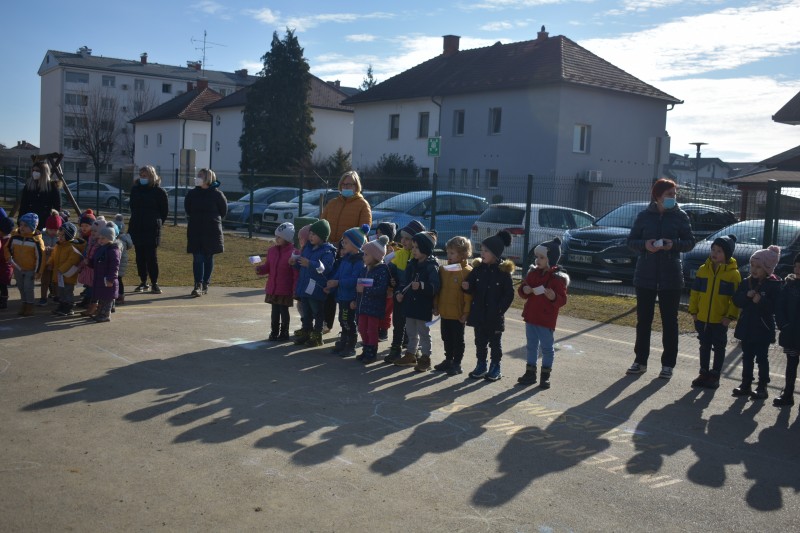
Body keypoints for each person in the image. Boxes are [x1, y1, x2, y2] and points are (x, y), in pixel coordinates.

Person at [625, 178, 695, 379]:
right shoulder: (644, 216)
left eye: (674, 194)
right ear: (657, 196)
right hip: (645, 275)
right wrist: (645, 245)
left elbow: (690, 242)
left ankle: (668, 365)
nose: (673, 197)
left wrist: (673, 244)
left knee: (670, 322)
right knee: (643, 321)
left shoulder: (680, 216)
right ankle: (640, 361)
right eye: (669, 194)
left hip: (671, 276)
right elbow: (631, 241)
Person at [320, 171, 373, 334]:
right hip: (330, 251)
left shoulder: (363, 205)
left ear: (356, 186)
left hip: (350, 255)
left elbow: (363, 232)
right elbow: (322, 224)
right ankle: (326, 323)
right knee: (329, 287)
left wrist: (347, 247)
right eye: (343, 184)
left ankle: (349, 328)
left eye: (349, 184)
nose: (346, 187)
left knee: (348, 292)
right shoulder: (332, 203)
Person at [688, 235, 741, 389]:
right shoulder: (702, 270)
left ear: (727, 254)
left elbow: (735, 299)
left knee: (719, 347)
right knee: (704, 346)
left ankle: (715, 375)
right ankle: (703, 373)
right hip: (702, 318)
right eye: (713, 249)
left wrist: (729, 316)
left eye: (719, 251)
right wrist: (694, 312)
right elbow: (695, 293)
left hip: (720, 320)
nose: (714, 253)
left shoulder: (733, 274)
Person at [517, 237, 569, 388]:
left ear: (550, 259)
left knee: (547, 348)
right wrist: (524, 290)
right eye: (537, 257)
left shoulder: (557, 279)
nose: (537, 260)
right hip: (531, 317)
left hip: (546, 320)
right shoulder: (533, 273)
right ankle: (530, 373)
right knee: (531, 346)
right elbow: (522, 290)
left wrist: (554, 297)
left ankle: (545, 376)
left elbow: (562, 300)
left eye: (542, 257)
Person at [463, 230, 515, 381]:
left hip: (494, 316)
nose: (482, 253)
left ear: (495, 254)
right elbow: (471, 285)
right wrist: (467, 286)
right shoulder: (478, 269)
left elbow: (509, 294)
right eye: (482, 250)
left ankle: (495, 366)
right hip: (479, 314)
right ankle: (481, 365)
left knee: (495, 344)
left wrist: (499, 309)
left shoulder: (503, 273)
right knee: (480, 342)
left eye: (486, 251)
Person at [732, 245, 782, 400]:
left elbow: (775, 307)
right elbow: (736, 300)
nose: (754, 269)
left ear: (767, 269)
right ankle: (745, 384)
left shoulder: (774, 285)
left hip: (763, 329)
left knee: (762, 358)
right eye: (752, 265)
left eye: (758, 267)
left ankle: (762, 386)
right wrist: (746, 296)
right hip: (747, 327)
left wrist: (761, 301)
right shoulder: (746, 282)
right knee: (747, 357)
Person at [394, 231, 440, 372]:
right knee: (411, 332)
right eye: (413, 247)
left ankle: (425, 358)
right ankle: (410, 354)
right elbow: (404, 282)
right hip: (410, 305)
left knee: (424, 333)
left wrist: (421, 285)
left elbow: (435, 287)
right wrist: (399, 293)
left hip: (423, 306)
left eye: (417, 248)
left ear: (425, 248)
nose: (413, 250)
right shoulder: (411, 264)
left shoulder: (431, 266)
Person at [385, 220, 425, 363]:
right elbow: (392, 272)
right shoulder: (399, 254)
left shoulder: (420, 258)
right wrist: (392, 281)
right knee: (398, 323)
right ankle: (396, 348)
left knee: (414, 326)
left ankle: (413, 349)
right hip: (399, 295)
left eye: (407, 239)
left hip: (414, 298)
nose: (403, 241)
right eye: (402, 237)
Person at [432, 236, 473, 376]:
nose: (448, 256)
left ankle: (457, 363)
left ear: (462, 254)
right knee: (446, 337)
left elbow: (468, 296)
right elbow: (439, 290)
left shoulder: (467, 271)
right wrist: (436, 306)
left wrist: (466, 313)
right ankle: (448, 359)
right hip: (445, 312)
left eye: (452, 253)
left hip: (458, 314)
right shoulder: (444, 270)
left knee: (458, 340)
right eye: (448, 252)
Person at [292, 219, 336, 347]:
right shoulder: (308, 248)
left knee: (317, 312)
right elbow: (302, 265)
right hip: (305, 286)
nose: (310, 237)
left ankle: (317, 335)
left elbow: (326, 268)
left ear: (322, 236)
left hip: (316, 287)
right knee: (306, 312)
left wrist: (310, 264)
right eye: (310, 234)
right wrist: (295, 263)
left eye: (314, 234)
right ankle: (307, 331)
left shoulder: (328, 251)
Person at [326, 225, 368, 357]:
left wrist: (338, 283)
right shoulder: (347, 258)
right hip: (343, 296)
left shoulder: (359, 261)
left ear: (355, 244)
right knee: (342, 320)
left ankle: (351, 345)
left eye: (346, 242)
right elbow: (339, 273)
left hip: (350, 297)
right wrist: (332, 283)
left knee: (348, 321)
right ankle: (344, 341)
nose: (343, 244)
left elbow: (355, 280)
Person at [185, 168, 228, 297]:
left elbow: (223, 211)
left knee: (208, 257)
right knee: (198, 258)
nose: (197, 178)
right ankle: (198, 284)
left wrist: (212, 220)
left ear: (208, 178)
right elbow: (188, 209)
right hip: (195, 230)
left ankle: (205, 283)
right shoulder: (192, 193)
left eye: (201, 176)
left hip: (211, 231)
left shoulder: (217, 194)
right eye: (197, 175)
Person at [128, 165, 168, 294]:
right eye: (141, 175)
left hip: (152, 228)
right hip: (137, 226)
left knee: (151, 257)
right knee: (139, 256)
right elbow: (132, 207)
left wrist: (157, 222)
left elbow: (164, 211)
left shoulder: (159, 192)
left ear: (151, 176)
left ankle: (154, 282)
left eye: (145, 176)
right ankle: (143, 281)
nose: (142, 178)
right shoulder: (135, 190)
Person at [256, 223, 297, 341]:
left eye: (280, 237)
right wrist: (260, 269)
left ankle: (284, 332)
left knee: (283, 311)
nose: (276, 239)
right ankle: (274, 331)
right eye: (276, 236)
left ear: (287, 238)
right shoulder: (272, 251)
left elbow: (295, 274)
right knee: (274, 311)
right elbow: (268, 266)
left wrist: (295, 289)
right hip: (273, 287)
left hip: (285, 289)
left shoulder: (293, 253)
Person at [355, 235, 391, 363]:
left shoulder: (382, 270)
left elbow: (381, 289)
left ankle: (371, 351)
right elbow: (359, 287)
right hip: (362, 306)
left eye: (366, 254)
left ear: (376, 256)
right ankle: (366, 348)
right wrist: (355, 300)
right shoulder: (364, 270)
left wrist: (364, 290)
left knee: (371, 329)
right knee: (361, 328)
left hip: (374, 307)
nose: (363, 257)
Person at [5, 213, 45, 316]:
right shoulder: (15, 237)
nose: (22, 227)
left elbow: (40, 257)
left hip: (30, 270)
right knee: (21, 287)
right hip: (17, 268)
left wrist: (38, 271)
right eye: (21, 224)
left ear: (33, 227)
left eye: (25, 225)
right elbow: (7, 248)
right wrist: (8, 257)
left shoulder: (36, 241)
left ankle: (30, 306)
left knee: (28, 288)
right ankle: (24, 303)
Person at [774, 252, 800, 407]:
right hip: (791, 333)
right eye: (796, 266)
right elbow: (780, 307)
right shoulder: (789, 285)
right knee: (791, 364)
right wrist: (783, 325)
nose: (797, 270)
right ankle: (788, 394)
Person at [49, 221, 85, 317]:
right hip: (60, 274)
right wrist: (50, 262)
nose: (59, 237)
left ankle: (68, 307)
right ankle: (62, 305)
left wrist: (62, 269)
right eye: (59, 235)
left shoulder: (72, 247)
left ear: (68, 236)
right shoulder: (59, 245)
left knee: (67, 291)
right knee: (61, 291)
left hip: (68, 275)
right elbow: (54, 255)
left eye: (62, 235)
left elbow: (72, 260)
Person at [15, 161, 62, 231]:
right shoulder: (28, 186)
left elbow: (57, 207)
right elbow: (23, 205)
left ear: (44, 172)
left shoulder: (52, 187)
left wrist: (53, 222)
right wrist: (19, 221)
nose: (34, 172)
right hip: (29, 222)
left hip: (45, 222)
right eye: (33, 170)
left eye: (37, 171)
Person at [89, 223, 121, 323]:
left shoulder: (113, 250)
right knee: (102, 298)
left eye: (103, 238)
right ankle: (100, 313)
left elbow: (114, 266)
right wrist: (90, 262)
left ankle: (105, 315)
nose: (100, 240)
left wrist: (111, 279)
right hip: (100, 278)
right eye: (100, 238)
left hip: (108, 280)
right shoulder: (101, 248)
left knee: (107, 299)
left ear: (110, 238)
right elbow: (96, 261)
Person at [375, 222, 398, 341]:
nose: (378, 235)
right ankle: (376, 329)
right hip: (379, 283)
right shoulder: (375, 245)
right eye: (377, 233)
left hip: (389, 286)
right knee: (377, 307)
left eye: (381, 233)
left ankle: (384, 331)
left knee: (387, 309)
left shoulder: (395, 248)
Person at [38, 210, 62, 305]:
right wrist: (45, 249)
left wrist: (52, 249)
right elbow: (40, 248)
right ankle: (43, 297)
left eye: (55, 230)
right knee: (45, 281)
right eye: (51, 229)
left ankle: (56, 296)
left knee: (56, 281)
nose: (53, 232)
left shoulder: (60, 237)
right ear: (47, 228)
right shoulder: (42, 236)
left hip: (56, 264)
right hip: (46, 263)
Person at [114, 214, 134, 305]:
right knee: (119, 279)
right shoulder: (126, 238)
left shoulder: (118, 240)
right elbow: (129, 246)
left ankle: (119, 295)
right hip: (123, 261)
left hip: (119, 261)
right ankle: (120, 295)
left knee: (117, 279)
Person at [0, 210, 17, 310]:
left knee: (3, 285)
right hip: (3, 266)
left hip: (6, 267)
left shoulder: (8, 241)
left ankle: (4, 301)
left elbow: (6, 255)